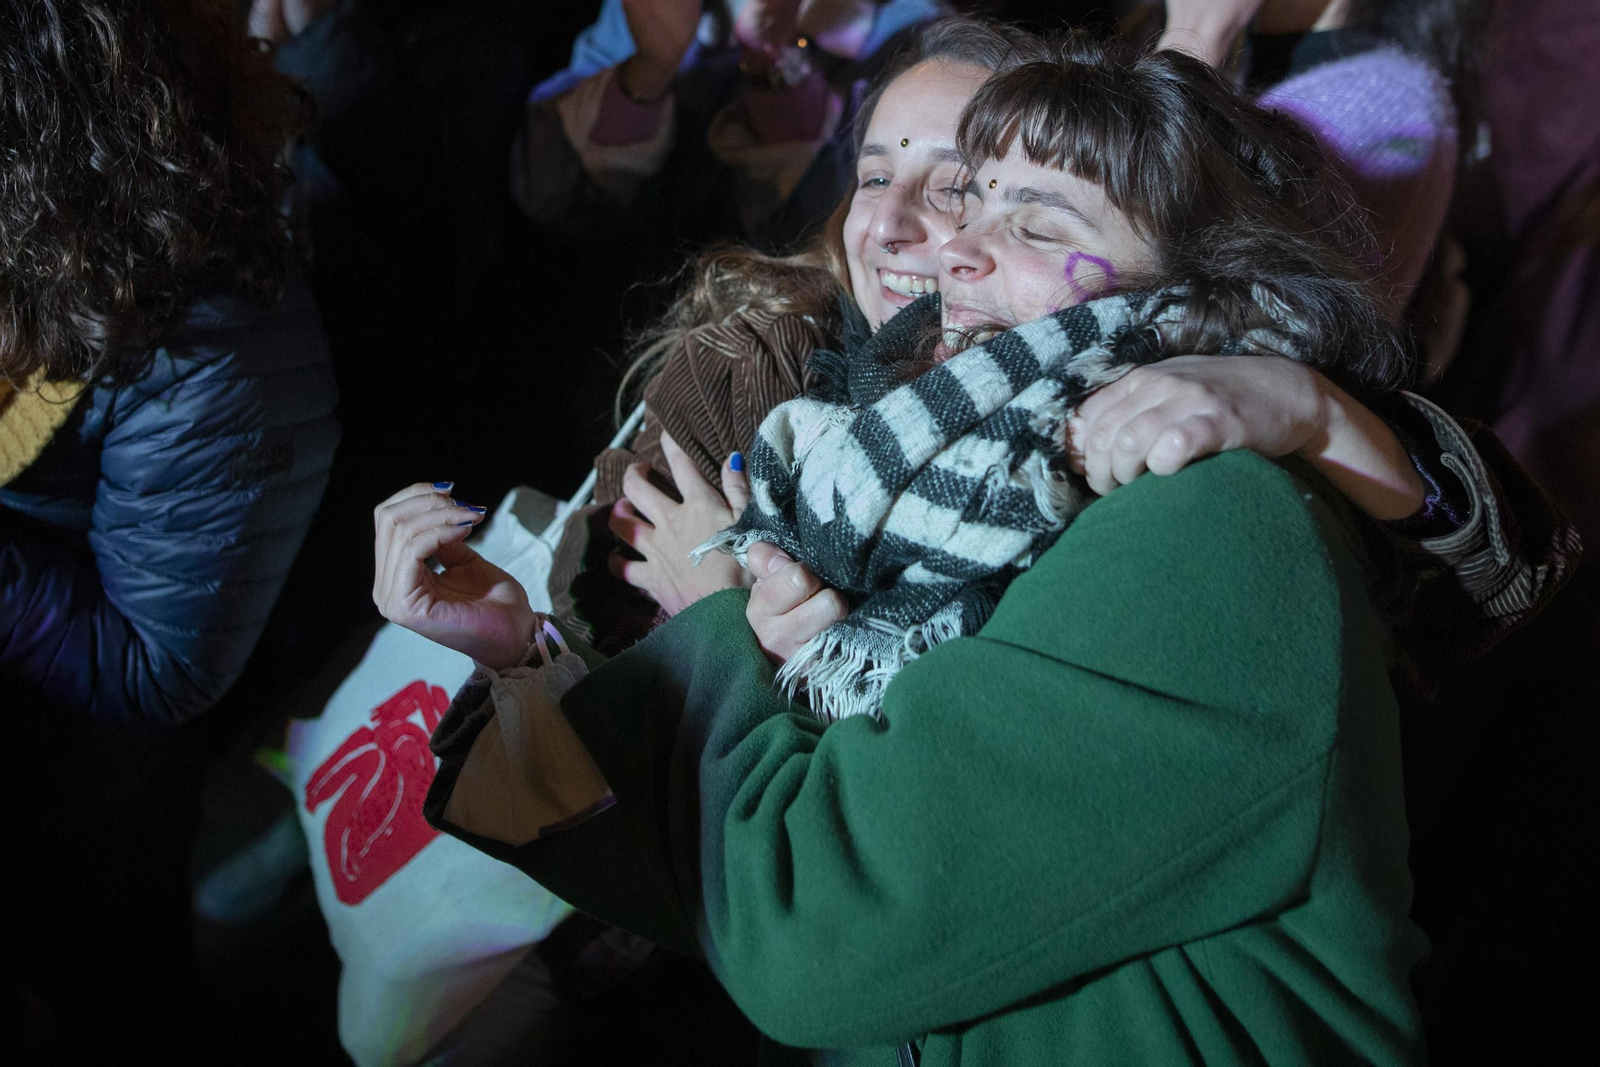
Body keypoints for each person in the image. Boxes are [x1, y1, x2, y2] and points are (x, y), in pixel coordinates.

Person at [387, 33, 1446, 1063]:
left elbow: (809, 935)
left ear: (1196, 287)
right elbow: (714, 885)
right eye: (963, 197)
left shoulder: (1206, 525)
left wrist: (720, 631)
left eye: (1032, 220)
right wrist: (526, 654)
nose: (945, 243)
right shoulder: (887, 453)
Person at [544, 15, 1574, 687]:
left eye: (961, 186)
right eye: (869, 175)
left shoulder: (1143, 422)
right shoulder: (764, 357)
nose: (926, 234)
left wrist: (1315, 406)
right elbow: (602, 627)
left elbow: (1486, 582)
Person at [0, 0, 338, 1056]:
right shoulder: (38, 219)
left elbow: (159, 663)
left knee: (116, 974)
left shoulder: (222, 344)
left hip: (92, 762)